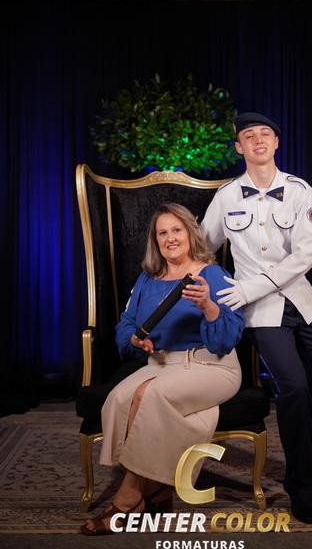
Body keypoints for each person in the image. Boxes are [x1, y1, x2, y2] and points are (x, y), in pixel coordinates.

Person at [201, 112, 312, 524]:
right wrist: (215, 289)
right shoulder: (227, 196)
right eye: (248, 136)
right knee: (294, 388)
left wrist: (250, 287)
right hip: (260, 312)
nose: (258, 140)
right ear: (239, 147)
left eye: (265, 134)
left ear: (276, 143)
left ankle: (311, 463)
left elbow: (306, 255)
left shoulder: (300, 190)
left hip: (302, 301)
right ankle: (301, 487)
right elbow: (202, 248)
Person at [81, 203, 244, 535]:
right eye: (162, 233)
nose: (171, 238)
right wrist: (134, 340)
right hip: (163, 364)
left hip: (212, 366)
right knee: (120, 397)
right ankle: (157, 491)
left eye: (177, 230)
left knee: (148, 395)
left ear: (190, 233)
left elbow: (228, 338)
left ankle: (129, 498)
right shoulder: (147, 279)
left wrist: (208, 306)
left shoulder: (214, 275)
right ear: (155, 241)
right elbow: (126, 323)